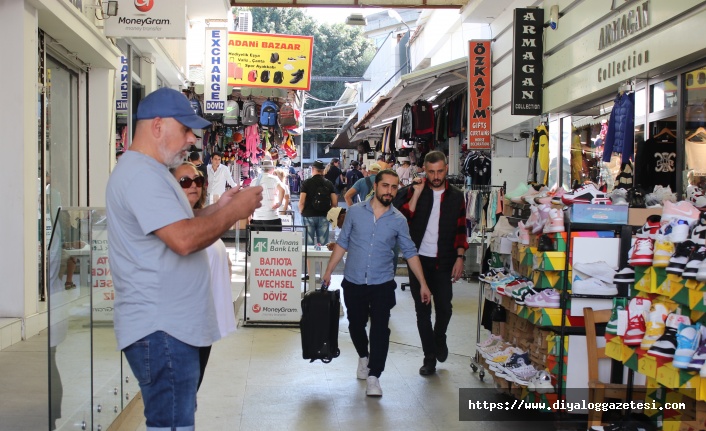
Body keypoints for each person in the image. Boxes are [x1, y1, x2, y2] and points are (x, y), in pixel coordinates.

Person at [106, 87, 263, 430]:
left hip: (168, 327)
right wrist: (233, 212)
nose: (192, 139)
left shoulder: (150, 173)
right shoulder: (141, 175)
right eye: (186, 129)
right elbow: (182, 240)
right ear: (158, 126)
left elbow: (181, 226)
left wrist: (219, 208)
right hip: (161, 328)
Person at [322, 169, 431, 397]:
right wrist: (329, 271)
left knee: (380, 330)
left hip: (382, 283)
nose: (389, 191)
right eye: (385, 186)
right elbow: (342, 242)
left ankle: (374, 376)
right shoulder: (354, 213)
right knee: (355, 325)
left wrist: (422, 283)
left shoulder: (399, 220)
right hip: (354, 281)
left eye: (394, 187)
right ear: (376, 187)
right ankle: (363, 356)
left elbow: (410, 252)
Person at [396, 151, 468, 376]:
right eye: (431, 172)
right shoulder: (414, 191)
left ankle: (440, 337)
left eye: (440, 171)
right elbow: (403, 219)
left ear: (446, 169)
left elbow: (460, 229)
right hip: (418, 260)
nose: (436, 176)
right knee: (422, 311)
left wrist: (460, 257)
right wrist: (416, 194)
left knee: (445, 307)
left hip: (445, 260)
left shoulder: (456, 196)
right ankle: (429, 357)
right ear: (424, 171)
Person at [171, 162, 237, 392]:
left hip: (202, 322)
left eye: (197, 181)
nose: (193, 186)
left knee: (190, 390)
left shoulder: (194, 218)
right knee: (181, 393)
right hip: (181, 325)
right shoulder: (169, 224)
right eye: (184, 182)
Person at [299, 160, 337, 246]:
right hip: (324, 215)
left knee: (308, 243)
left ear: (313, 169)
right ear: (323, 170)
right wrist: (330, 213)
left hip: (308, 215)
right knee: (324, 243)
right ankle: (322, 259)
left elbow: (301, 201)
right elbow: (334, 202)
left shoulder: (306, 183)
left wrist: (301, 211)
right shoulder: (329, 183)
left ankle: (309, 260)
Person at [251, 160, 287, 232]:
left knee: (259, 241)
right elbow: (282, 190)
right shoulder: (274, 179)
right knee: (273, 241)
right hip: (271, 216)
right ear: (272, 169)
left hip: (257, 217)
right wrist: (279, 203)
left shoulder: (254, 181)